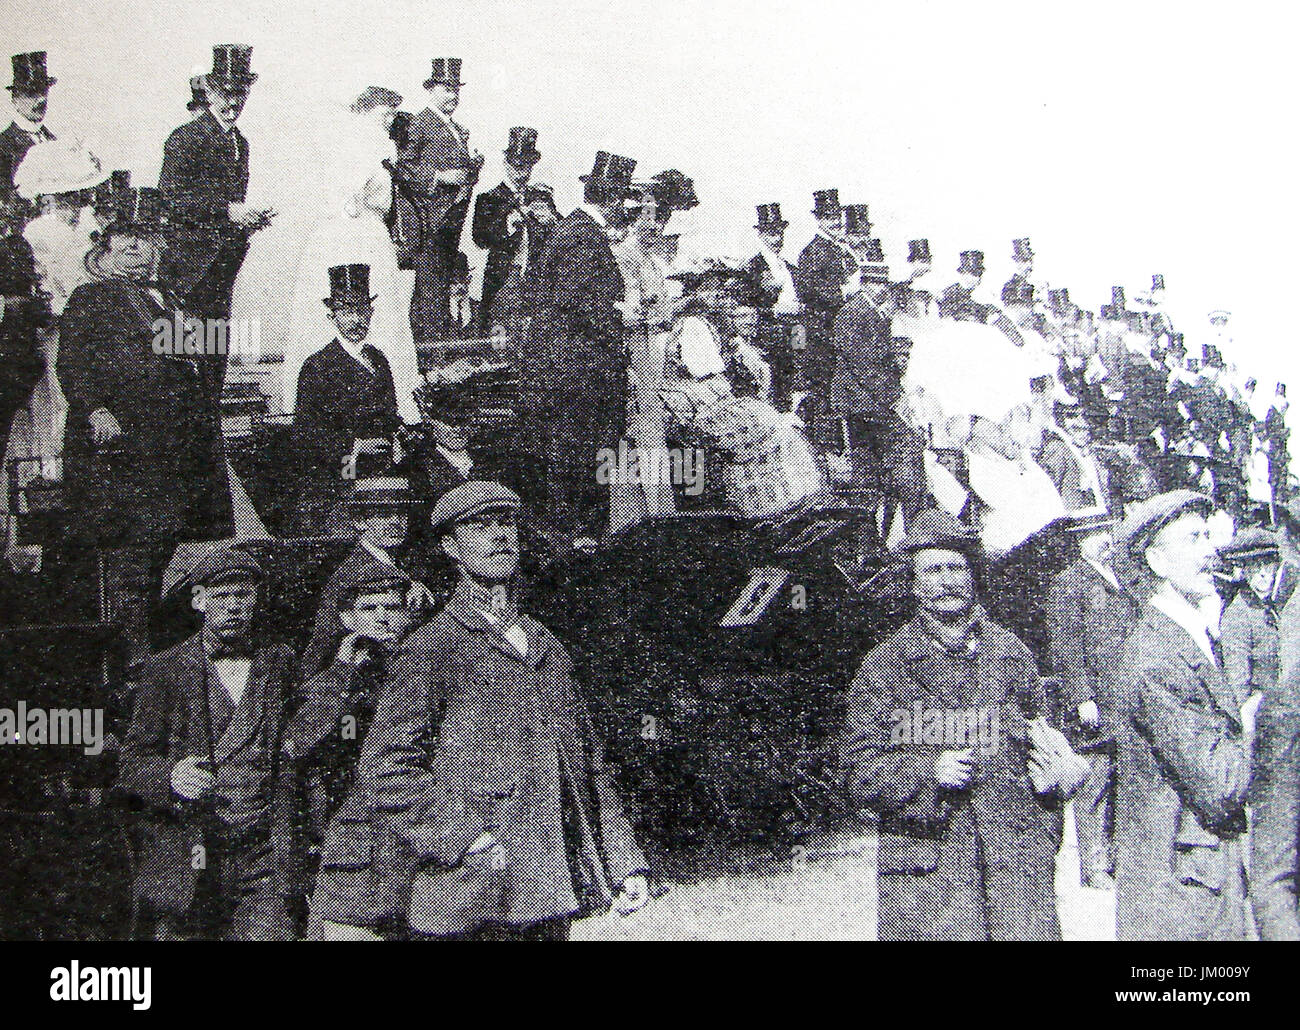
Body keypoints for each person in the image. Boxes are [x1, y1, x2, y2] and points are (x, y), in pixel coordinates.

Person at [351, 481, 651, 939]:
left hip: (547, 880)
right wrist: (454, 838)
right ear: (452, 547)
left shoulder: (546, 646)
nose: (498, 536)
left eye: (506, 523)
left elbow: (587, 763)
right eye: (479, 525)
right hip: (467, 883)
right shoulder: (431, 648)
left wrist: (624, 859)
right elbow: (389, 767)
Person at [842, 510, 1069, 940]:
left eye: (957, 567)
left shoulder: (1011, 653)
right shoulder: (886, 667)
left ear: (972, 576)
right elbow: (856, 772)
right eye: (933, 570)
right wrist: (926, 772)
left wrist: (1058, 779)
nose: (947, 581)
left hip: (1015, 866)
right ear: (913, 582)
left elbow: (1046, 738)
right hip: (931, 871)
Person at [58, 188, 233, 661]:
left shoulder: (166, 300)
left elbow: (206, 350)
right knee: (131, 565)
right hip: (124, 454)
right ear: (105, 253)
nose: (135, 250)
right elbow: (72, 361)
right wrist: (95, 408)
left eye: (143, 241)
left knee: (166, 561)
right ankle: (132, 669)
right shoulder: (91, 298)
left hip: (171, 453)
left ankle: (162, 663)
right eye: (124, 243)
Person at [114, 543, 296, 940]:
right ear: (198, 601)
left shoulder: (280, 661)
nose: (233, 606)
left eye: (243, 594)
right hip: (191, 850)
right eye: (221, 596)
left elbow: (303, 736)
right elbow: (131, 764)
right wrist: (172, 776)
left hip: (263, 850)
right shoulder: (166, 669)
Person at [1113, 490, 1259, 940]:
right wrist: (1260, 722)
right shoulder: (1157, 656)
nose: (1210, 551)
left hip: (1201, 878)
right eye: (1194, 539)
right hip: (1182, 892)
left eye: (1208, 536)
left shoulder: (1184, 636)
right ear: (1156, 561)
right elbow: (1220, 785)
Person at [284, 556, 416, 938]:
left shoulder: (425, 667)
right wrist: (343, 672)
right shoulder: (334, 681)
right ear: (347, 619)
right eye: (369, 608)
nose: (383, 618)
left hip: (415, 832)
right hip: (354, 840)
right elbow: (298, 742)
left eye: (393, 607)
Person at [524, 151, 638, 550]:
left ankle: (580, 540)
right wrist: (620, 318)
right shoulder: (582, 236)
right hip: (578, 375)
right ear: (611, 199)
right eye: (621, 200)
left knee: (577, 464)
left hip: (572, 372)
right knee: (580, 466)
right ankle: (580, 547)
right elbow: (578, 302)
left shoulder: (573, 230)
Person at [284, 86, 420, 421]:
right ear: (364, 111)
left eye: (392, 114)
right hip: (358, 233)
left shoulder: (355, 141)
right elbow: (347, 199)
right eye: (383, 113)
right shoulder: (364, 141)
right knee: (368, 304)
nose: (389, 121)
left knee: (374, 309)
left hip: (357, 230)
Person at [159, 44, 276, 407]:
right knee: (182, 365)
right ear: (209, 91)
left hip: (222, 269)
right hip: (188, 273)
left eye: (240, 93)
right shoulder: (185, 138)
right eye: (225, 93)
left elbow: (228, 210)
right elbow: (171, 198)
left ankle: (208, 450)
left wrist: (247, 223)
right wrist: (229, 212)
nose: (233, 101)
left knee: (213, 368)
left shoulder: (241, 142)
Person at [1046, 511, 1139, 889]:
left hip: (1126, 696)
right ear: (1079, 541)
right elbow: (1066, 646)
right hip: (1095, 703)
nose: (1103, 538)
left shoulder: (1122, 580)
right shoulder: (1068, 585)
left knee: (1123, 778)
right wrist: (1082, 697)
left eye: (1105, 530)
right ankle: (1095, 865)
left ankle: (1118, 858)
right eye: (1093, 533)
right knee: (1095, 781)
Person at [291, 264, 402, 533]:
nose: (356, 320)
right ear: (332, 315)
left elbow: (391, 413)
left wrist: (398, 438)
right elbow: (306, 433)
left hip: (383, 471)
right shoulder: (317, 366)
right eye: (347, 311)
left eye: (362, 310)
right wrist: (354, 447)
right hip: (341, 474)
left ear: (371, 313)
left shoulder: (379, 360)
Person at [828, 247, 926, 523]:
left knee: (869, 472)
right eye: (880, 283)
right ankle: (875, 536)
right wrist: (895, 397)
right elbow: (863, 365)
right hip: (862, 403)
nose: (884, 289)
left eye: (885, 283)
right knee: (877, 468)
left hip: (869, 402)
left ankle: (875, 536)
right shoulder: (853, 314)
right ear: (868, 284)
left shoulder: (871, 313)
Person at [392, 58, 482, 343]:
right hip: (428, 222)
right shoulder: (420, 122)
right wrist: (440, 177)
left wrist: (474, 167)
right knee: (430, 290)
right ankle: (430, 358)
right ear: (431, 90)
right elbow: (403, 168)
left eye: (456, 90)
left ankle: (435, 356)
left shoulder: (457, 128)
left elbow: (463, 178)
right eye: (446, 89)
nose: (453, 96)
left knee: (439, 289)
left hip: (451, 221)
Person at [795, 188, 855, 445]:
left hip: (840, 331)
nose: (835, 221)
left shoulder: (840, 250)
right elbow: (808, 289)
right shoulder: (813, 251)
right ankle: (826, 448)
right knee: (824, 391)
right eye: (829, 217)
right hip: (821, 332)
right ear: (819, 219)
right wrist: (844, 291)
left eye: (837, 216)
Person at [471, 127, 541, 336]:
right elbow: (480, 239)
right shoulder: (489, 199)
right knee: (500, 335)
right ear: (506, 163)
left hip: (535, 278)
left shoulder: (540, 198)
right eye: (517, 166)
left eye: (527, 166)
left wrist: (550, 221)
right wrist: (507, 226)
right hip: (504, 278)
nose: (522, 172)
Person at [745, 202, 800, 410]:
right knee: (774, 392)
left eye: (779, 233)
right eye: (770, 233)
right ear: (760, 235)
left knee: (797, 375)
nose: (777, 239)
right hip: (769, 339)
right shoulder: (753, 268)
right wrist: (775, 310)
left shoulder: (790, 268)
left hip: (795, 332)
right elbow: (747, 310)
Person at [1219, 526, 1281, 705]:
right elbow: (1238, 685)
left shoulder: (1281, 602)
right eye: (1254, 564)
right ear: (1243, 569)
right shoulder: (1238, 616)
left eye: (1267, 563)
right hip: (1267, 714)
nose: (1263, 572)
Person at [0, 52, 58, 203]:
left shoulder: (54, 142)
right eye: (31, 93)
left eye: (43, 90)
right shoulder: (3, 146)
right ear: (15, 99)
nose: (41, 99)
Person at [938, 250, 990, 322]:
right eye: (972, 273)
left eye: (979, 274)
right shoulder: (949, 294)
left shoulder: (975, 296)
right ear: (962, 273)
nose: (976, 277)